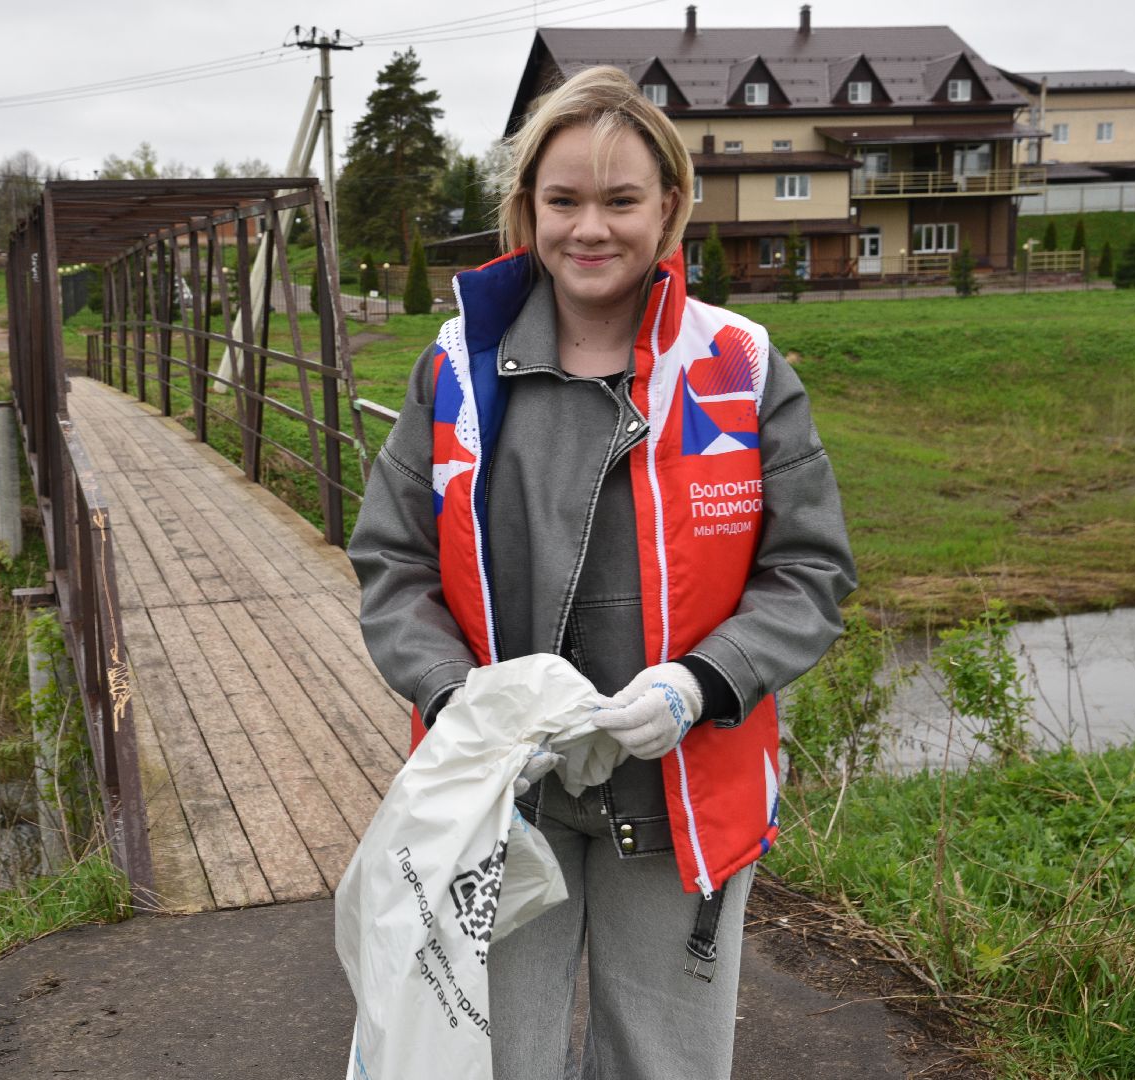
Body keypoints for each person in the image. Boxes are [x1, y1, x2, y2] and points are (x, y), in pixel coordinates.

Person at [347, 65, 856, 1079]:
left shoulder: (738, 369)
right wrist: (461, 699)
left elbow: (810, 570)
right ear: (526, 206)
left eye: (621, 200)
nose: (591, 227)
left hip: (682, 796)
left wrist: (699, 684)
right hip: (501, 795)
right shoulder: (455, 370)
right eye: (564, 200)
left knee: (663, 1065)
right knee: (496, 1061)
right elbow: (391, 562)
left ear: (668, 205)